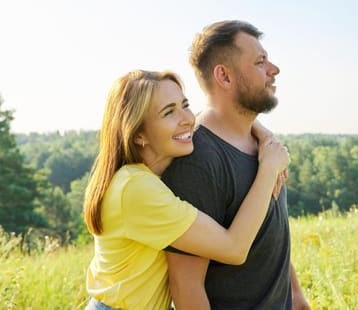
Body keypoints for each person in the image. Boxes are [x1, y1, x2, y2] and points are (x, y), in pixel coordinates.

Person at [83, 70, 290, 310]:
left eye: (185, 105)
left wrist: (264, 134)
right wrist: (269, 167)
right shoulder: (136, 188)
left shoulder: (147, 176)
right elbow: (234, 248)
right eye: (169, 112)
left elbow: (213, 116)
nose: (187, 119)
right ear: (139, 134)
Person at [162, 20, 310, 309]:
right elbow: (186, 285)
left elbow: (266, 230)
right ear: (224, 77)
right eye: (260, 62)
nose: (274, 69)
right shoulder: (197, 162)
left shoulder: (265, 148)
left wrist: (294, 292)